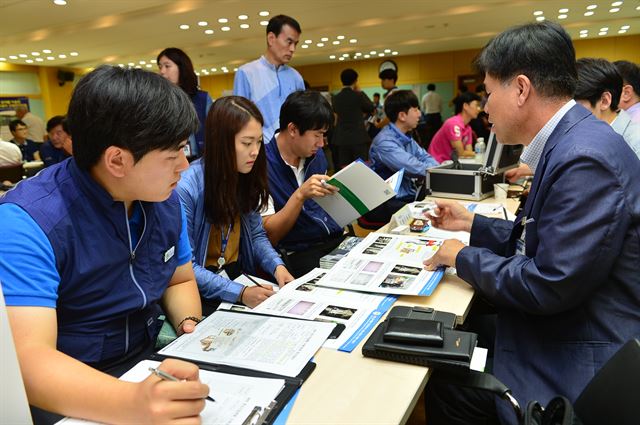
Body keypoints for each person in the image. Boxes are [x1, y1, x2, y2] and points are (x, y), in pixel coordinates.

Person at [423, 21, 640, 425]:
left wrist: (463, 257)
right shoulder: (572, 140)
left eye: (489, 93)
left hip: (579, 346)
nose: (484, 108)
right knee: (452, 334)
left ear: (521, 89)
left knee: (444, 380)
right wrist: (471, 224)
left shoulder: (583, 158)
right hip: (573, 316)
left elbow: (548, 282)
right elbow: (541, 239)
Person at [0, 65, 209, 424]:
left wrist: (189, 324)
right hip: (70, 389)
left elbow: (179, 279)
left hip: (147, 365)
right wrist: (133, 402)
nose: (185, 165)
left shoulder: (164, 199)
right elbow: (29, 362)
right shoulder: (27, 222)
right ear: (117, 160)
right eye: (172, 153)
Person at [177, 96, 294, 311]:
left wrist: (277, 266)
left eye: (259, 141)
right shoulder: (187, 187)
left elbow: (256, 234)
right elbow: (186, 266)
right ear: (221, 141)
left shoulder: (245, 174)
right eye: (247, 143)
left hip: (237, 277)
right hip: (200, 291)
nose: (255, 151)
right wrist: (240, 293)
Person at [506, 57, 640, 182]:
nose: (568, 114)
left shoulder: (634, 143)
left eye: (574, 106)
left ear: (604, 101)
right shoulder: (596, 136)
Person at [262, 90, 343, 277]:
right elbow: (270, 236)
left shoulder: (315, 156)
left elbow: (322, 208)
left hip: (331, 238)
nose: (321, 144)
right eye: (317, 135)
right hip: (297, 252)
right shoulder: (261, 166)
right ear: (292, 130)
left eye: (324, 135)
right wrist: (300, 195)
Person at [368, 90, 439, 222]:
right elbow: (415, 167)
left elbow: (425, 158)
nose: (419, 114)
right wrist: (437, 170)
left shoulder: (407, 137)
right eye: (416, 109)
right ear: (402, 115)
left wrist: (436, 169)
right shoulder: (384, 142)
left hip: (405, 197)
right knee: (432, 216)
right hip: (386, 203)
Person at [233, 14, 305, 143]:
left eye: (296, 43)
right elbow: (238, 120)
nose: (293, 49)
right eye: (289, 42)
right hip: (260, 151)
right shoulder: (246, 73)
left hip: (292, 151)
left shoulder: (296, 77)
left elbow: (302, 117)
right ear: (271, 38)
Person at [158, 47, 213, 159]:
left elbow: (214, 131)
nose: (162, 71)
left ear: (182, 68)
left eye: (167, 66)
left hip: (200, 158)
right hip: (170, 159)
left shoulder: (202, 98)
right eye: (160, 67)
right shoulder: (158, 100)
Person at [331, 68, 374, 169]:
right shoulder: (358, 95)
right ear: (355, 81)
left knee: (345, 169)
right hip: (358, 137)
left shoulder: (335, 98)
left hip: (341, 138)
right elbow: (370, 107)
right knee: (361, 168)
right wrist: (360, 92)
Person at [428, 92, 481, 162]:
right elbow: (461, 153)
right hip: (437, 163)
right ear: (465, 106)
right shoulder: (453, 124)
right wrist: (481, 154)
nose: (479, 109)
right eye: (476, 105)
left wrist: (475, 154)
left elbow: (468, 152)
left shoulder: (468, 128)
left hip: (450, 163)